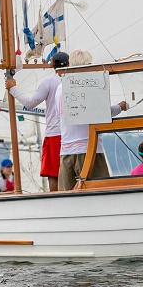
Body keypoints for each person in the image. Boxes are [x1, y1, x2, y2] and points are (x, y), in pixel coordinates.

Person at [56, 49, 128, 190]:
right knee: (100, 191)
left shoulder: (60, 88)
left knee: (66, 195)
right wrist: (120, 107)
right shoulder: (88, 84)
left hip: (66, 150)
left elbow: (59, 117)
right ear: (87, 65)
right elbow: (103, 112)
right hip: (90, 149)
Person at [5, 51, 70, 191]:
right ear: (69, 64)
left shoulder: (49, 82)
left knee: (53, 175)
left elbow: (30, 103)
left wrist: (13, 89)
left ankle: (56, 201)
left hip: (54, 134)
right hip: (73, 133)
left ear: (52, 65)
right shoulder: (76, 80)